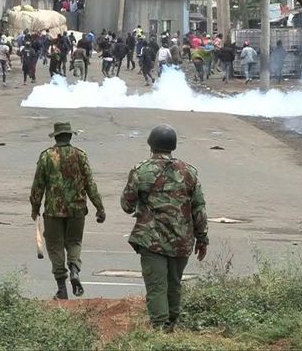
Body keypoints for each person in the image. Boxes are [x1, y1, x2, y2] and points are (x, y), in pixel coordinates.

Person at [121, 124, 208, 330]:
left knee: (157, 285)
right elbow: (199, 208)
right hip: (182, 239)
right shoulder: (189, 172)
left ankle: (160, 329)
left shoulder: (141, 170)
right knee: (174, 283)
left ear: (151, 144)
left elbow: (126, 205)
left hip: (152, 240)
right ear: (173, 146)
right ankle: (172, 324)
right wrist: (202, 239)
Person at [30, 122, 106, 300]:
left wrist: (35, 208)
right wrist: (99, 207)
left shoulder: (46, 157)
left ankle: (61, 287)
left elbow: (38, 186)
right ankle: (74, 269)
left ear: (55, 137)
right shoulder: (80, 155)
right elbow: (90, 184)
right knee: (74, 242)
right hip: (77, 209)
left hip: (53, 211)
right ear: (70, 136)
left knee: (55, 245)